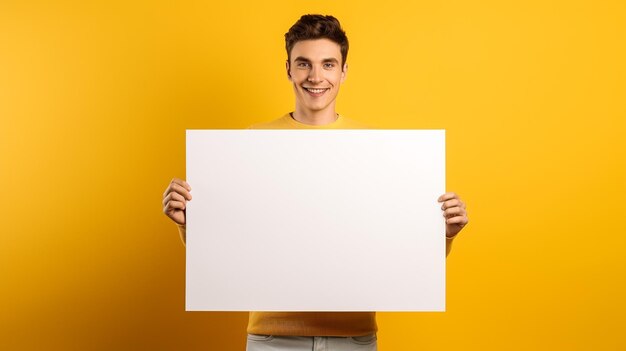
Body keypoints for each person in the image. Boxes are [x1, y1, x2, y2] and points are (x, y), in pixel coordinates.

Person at [162, 14, 469, 351]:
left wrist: (443, 233)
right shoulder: (252, 141)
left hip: (354, 338)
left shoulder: (377, 147)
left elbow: (396, 250)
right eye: (304, 64)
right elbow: (233, 250)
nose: (316, 76)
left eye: (328, 64)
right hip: (272, 338)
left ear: (344, 72)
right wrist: (193, 224)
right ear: (289, 69)